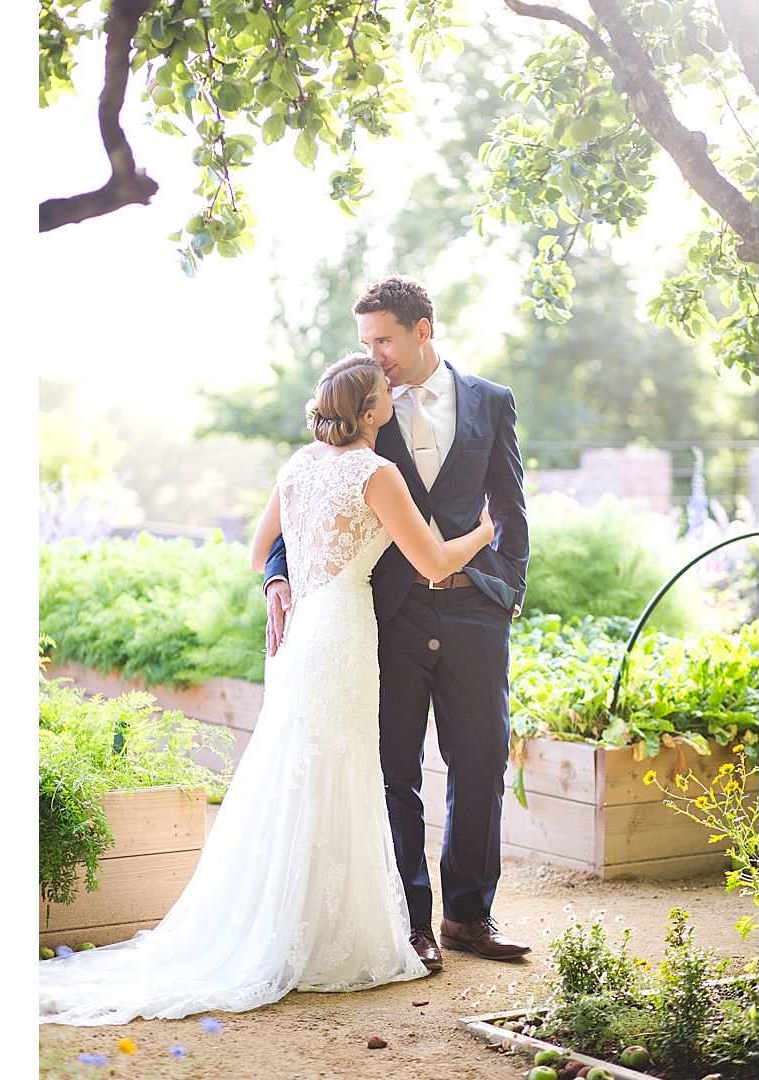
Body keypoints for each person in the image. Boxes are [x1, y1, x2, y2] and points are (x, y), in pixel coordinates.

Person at [38, 355, 494, 1025]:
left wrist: (287, 578)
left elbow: (260, 554)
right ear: (371, 412)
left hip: (303, 628)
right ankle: (324, 934)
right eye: (385, 397)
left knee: (295, 767)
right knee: (338, 768)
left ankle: (286, 921)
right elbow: (431, 562)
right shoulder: (377, 472)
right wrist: (484, 532)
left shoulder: (298, 466)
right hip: (342, 627)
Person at [264, 276, 530, 971]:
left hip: (475, 610)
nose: (373, 353)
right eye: (366, 340)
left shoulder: (492, 401)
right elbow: (309, 504)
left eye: (383, 338)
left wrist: (508, 590)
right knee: (392, 769)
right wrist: (278, 576)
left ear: (422, 330)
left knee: (481, 763)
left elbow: (511, 504)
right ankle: (410, 924)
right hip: (390, 615)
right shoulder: (362, 406)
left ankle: (469, 915)